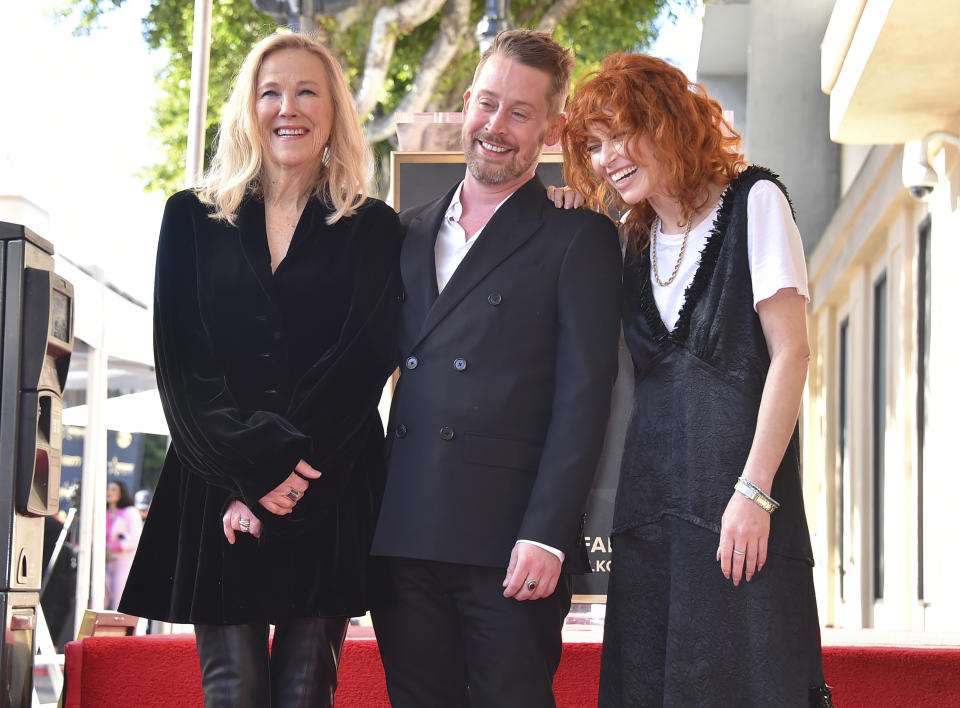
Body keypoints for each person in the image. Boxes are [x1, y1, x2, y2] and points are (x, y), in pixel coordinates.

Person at [117, 32, 402, 708]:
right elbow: (183, 368)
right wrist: (249, 471)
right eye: (270, 91)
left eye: (307, 91)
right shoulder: (187, 218)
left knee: (308, 691)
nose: (287, 108)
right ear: (248, 107)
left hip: (326, 485)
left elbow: (364, 361)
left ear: (334, 109)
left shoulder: (374, 229)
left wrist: (285, 472)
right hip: (215, 485)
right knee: (233, 692)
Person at [561, 53, 833, 707]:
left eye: (618, 134)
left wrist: (754, 492)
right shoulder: (628, 241)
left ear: (665, 120)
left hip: (741, 516)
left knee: (749, 683)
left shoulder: (755, 202)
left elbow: (792, 354)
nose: (606, 159)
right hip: (649, 523)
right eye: (594, 146)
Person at [370, 29, 623, 708]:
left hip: (509, 544)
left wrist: (546, 533)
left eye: (519, 111)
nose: (496, 126)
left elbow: (584, 400)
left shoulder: (578, 236)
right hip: (404, 537)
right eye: (488, 103)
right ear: (464, 103)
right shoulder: (408, 231)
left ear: (551, 128)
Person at [105, 480, 142, 610]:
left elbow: (136, 540)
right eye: (108, 489)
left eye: (113, 489)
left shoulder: (130, 512)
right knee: (97, 599)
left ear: (122, 492)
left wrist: (113, 548)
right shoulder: (103, 513)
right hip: (104, 562)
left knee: (120, 602)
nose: (109, 492)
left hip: (123, 562)